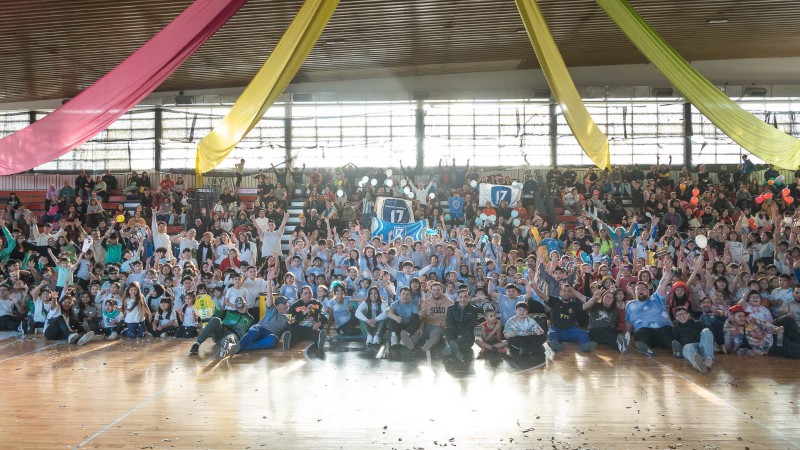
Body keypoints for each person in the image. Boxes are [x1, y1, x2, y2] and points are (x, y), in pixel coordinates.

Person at [625, 256, 675, 357]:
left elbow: (662, 283)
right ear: (635, 292)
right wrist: (627, 334)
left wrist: (667, 272)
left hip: (663, 330)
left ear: (648, 291)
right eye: (637, 289)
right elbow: (628, 321)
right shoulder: (630, 305)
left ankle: (675, 348)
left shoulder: (656, 297)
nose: (640, 290)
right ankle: (647, 349)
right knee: (640, 332)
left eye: (643, 288)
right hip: (646, 333)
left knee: (667, 332)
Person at [189, 297, 254, 357]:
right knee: (216, 319)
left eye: (242, 307)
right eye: (239, 308)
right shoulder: (228, 312)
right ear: (236, 307)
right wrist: (202, 319)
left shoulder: (250, 318)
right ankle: (197, 344)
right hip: (220, 332)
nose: (241, 309)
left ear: (245, 305)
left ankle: (226, 347)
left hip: (235, 334)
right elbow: (215, 315)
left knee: (230, 336)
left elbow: (248, 332)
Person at [284, 285, 328, 353]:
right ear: (301, 294)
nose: (308, 295)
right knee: (293, 334)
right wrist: (303, 313)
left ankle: (320, 341)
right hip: (299, 328)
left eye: (310, 293)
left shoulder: (318, 303)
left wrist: (319, 323)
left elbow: (325, 315)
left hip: (312, 328)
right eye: (305, 293)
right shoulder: (295, 305)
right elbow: (288, 319)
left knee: (317, 333)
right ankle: (288, 342)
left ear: (312, 293)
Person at [671, 306, 714, 373]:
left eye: (684, 313)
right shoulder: (675, 328)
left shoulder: (697, 323)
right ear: (676, 318)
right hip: (688, 347)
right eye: (679, 314)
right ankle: (698, 364)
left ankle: (708, 361)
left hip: (701, 345)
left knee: (706, 331)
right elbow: (675, 343)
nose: (682, 316)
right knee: (688, 347)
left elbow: (708, 335)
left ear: (688, 314)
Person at [443, 289, 479, 362]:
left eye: (465, 297)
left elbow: (470, 326)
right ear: (458, 298)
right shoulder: (451, 308)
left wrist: (461, 336)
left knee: (469, 333)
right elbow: (450, 324)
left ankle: (451, 346)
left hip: (466, 339)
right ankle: (455, 349)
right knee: (447, 330)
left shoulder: (474, 310)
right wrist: (458, 335)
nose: (463, 299)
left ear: (469, 298)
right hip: (454, 335)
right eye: (460, 297)